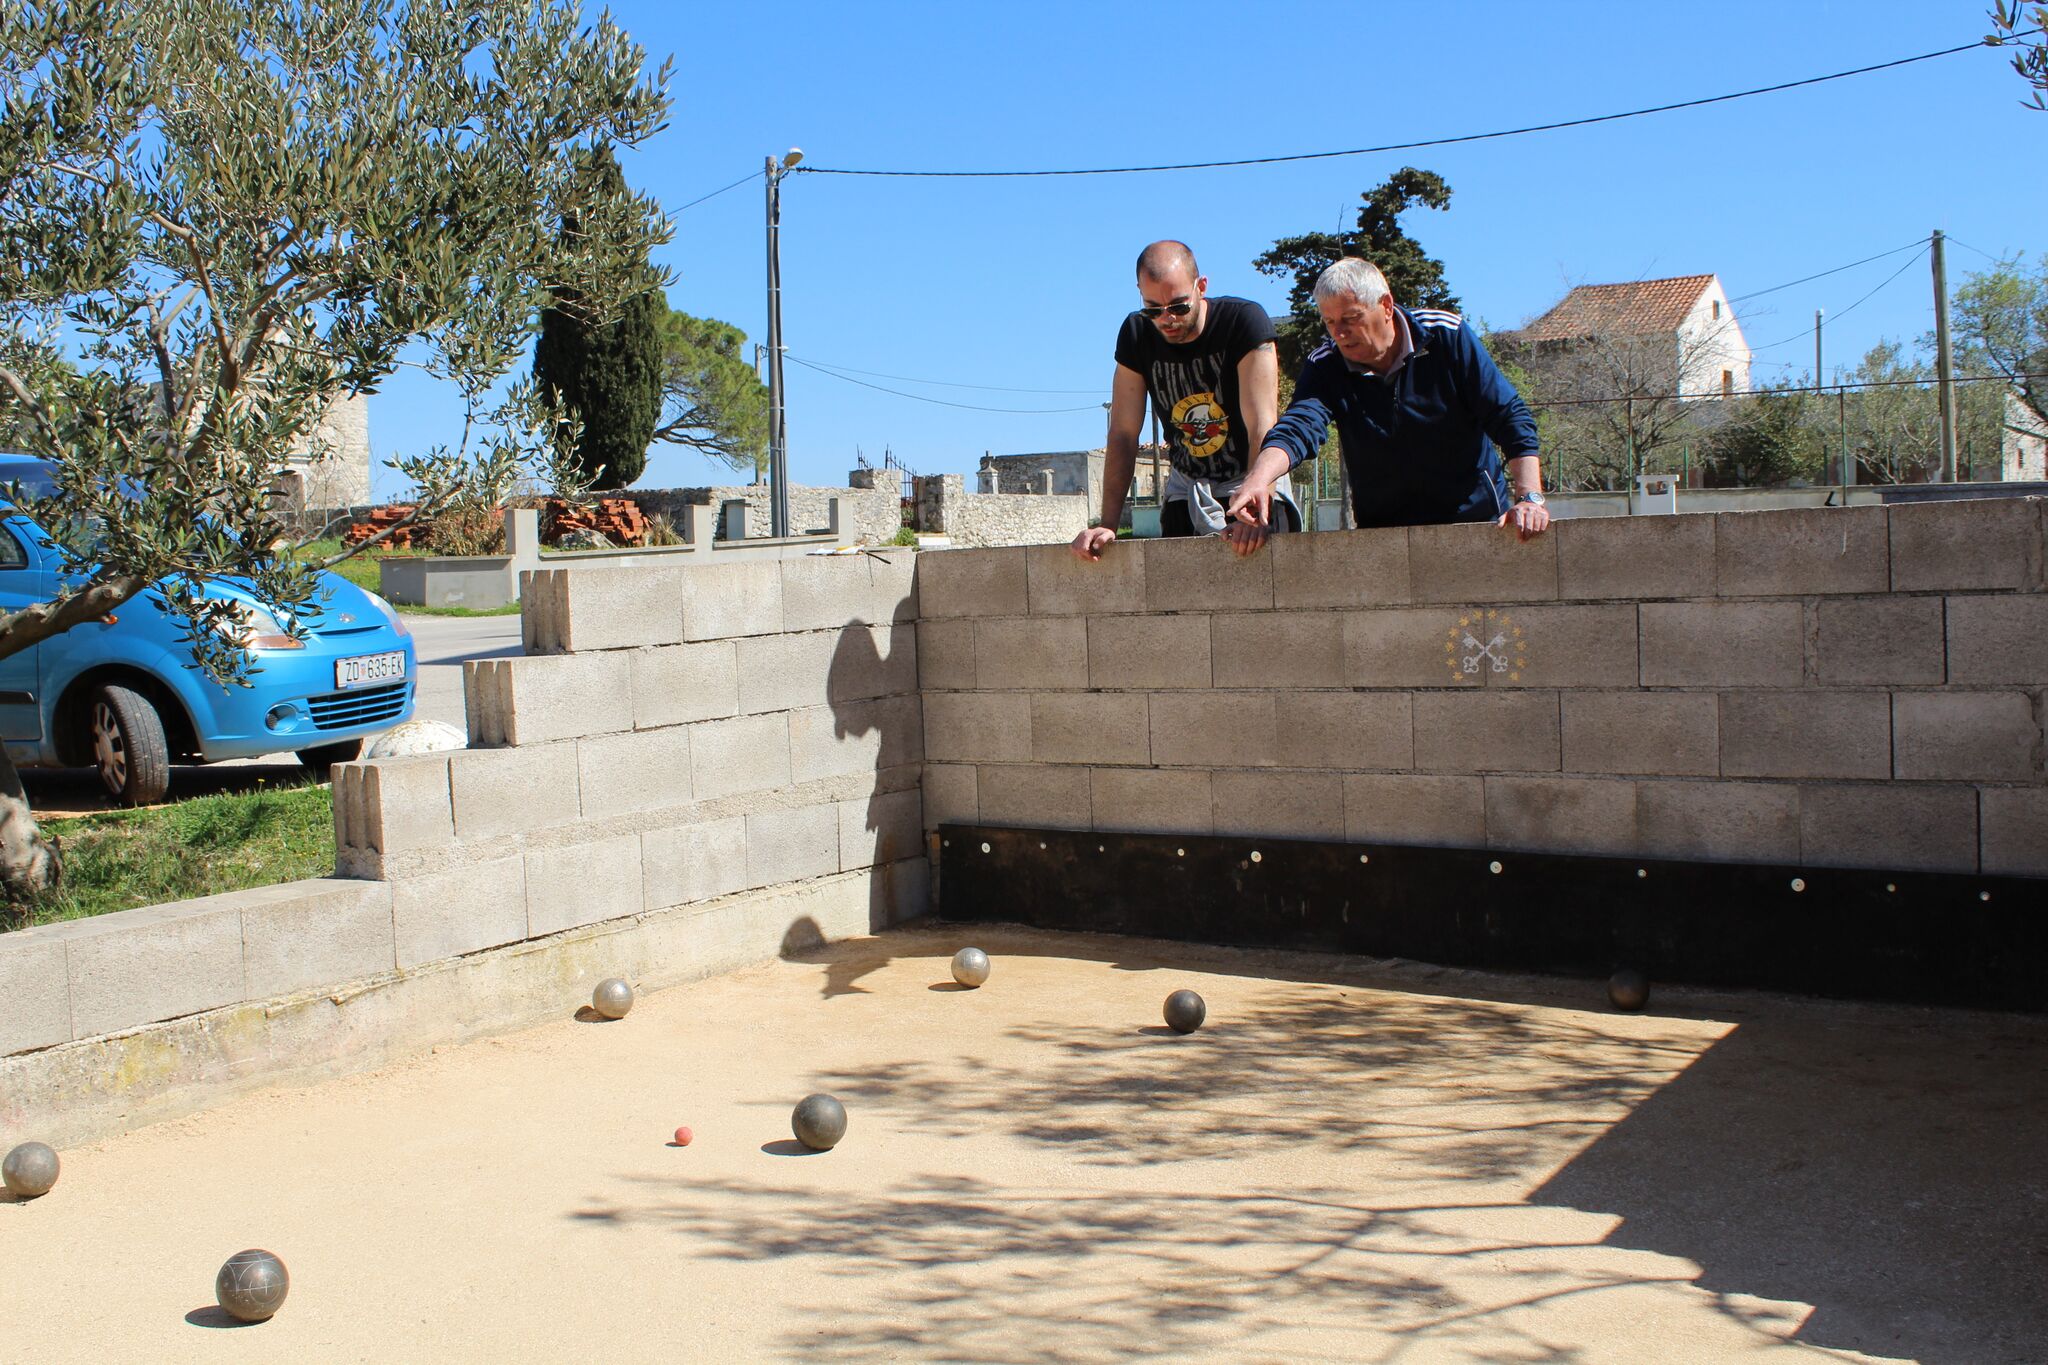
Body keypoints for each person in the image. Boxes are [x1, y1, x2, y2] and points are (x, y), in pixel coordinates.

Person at [1226, 257, 1550, 541]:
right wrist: (1258, 478)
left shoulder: (1447, 337)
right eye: (1329, 322)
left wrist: (1529, 497)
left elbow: (1509, 414)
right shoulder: (1325, 364)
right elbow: (1298, 427)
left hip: (1476, 522)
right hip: (1384, 535)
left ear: (1385, 306)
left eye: (1351, 318)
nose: (1339, 333)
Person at [1071, 240, 1287, 562]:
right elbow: (1123, 433)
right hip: (1189, 488)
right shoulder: (1135, 334)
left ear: (1201, 287)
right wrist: (1108, 525)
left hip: (1251, 479)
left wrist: (1256, 508)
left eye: (1178, 306)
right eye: (1153, 309)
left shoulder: (1245, 323)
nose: (1166, 318)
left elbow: (1262, 423)